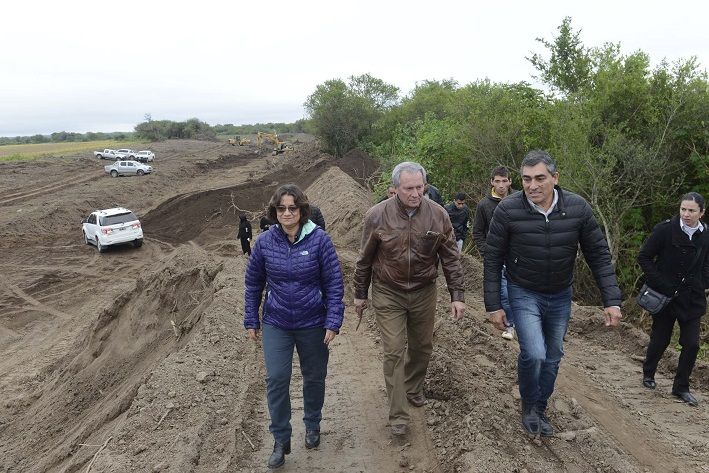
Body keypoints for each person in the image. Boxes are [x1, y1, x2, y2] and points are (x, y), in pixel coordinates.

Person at [483, 150, 622, 437]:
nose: (532, 186)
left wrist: (611, 300)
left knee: (553, 355)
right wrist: (494, 305)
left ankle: (540, 407)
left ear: (555, 178)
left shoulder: (577, 208)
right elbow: (493, 259)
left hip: (560, 293)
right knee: (534, 353)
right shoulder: (507, 210)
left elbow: (598, 254)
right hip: (523, 290)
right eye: (526, 179)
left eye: (539, 178)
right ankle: (529, 406)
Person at [353, 162, 465, 437]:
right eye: (408, 189)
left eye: (419, 187)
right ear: (395, 189)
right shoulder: (377, 216)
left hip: (424, 291)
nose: (415, 194)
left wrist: (457, 295)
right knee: (393, 350)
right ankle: (398, 415)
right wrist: (360, 294)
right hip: (388, 290)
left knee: (421, 346)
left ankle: (413, 387)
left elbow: (451, 258)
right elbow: (364, 259)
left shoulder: (438, 215)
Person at [244, 184, 345, 469]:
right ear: (274, 212)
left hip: (313, 322)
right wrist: (251, 319)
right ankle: (280, 439)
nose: (286, 213)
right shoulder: (265, 242)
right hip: (277, 322)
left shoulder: (320, 240)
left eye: (292, 208)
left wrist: (333, 321)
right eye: (281, 208)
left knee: (314, 377)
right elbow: (253, 284)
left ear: (302, 210)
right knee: (276, 379)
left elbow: (334, 284)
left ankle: (312, 423)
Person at [638, 192, 709, 407]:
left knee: (692, 344)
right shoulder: (665, 230)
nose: (686, 214)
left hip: (692, 298)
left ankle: (681, 388)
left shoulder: (706, 234)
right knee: (660, 339)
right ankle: (648, 373)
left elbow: (707, 263)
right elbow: (644, 257)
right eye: (683, 209)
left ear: (701, 212)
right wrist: (662, 284)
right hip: (665, 296)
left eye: (691, 210)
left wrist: (703, 282)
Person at [473, 166, 516, 340]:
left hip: (520, 256)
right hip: (497, 257)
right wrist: (487, 252)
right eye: (497, 181)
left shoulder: (520, 199)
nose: (501, 185)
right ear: (492, 182)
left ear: (510, 182)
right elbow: (477, 232)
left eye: (504, 181)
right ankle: (510, 326)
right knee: (504, 293)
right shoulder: (484, 205)